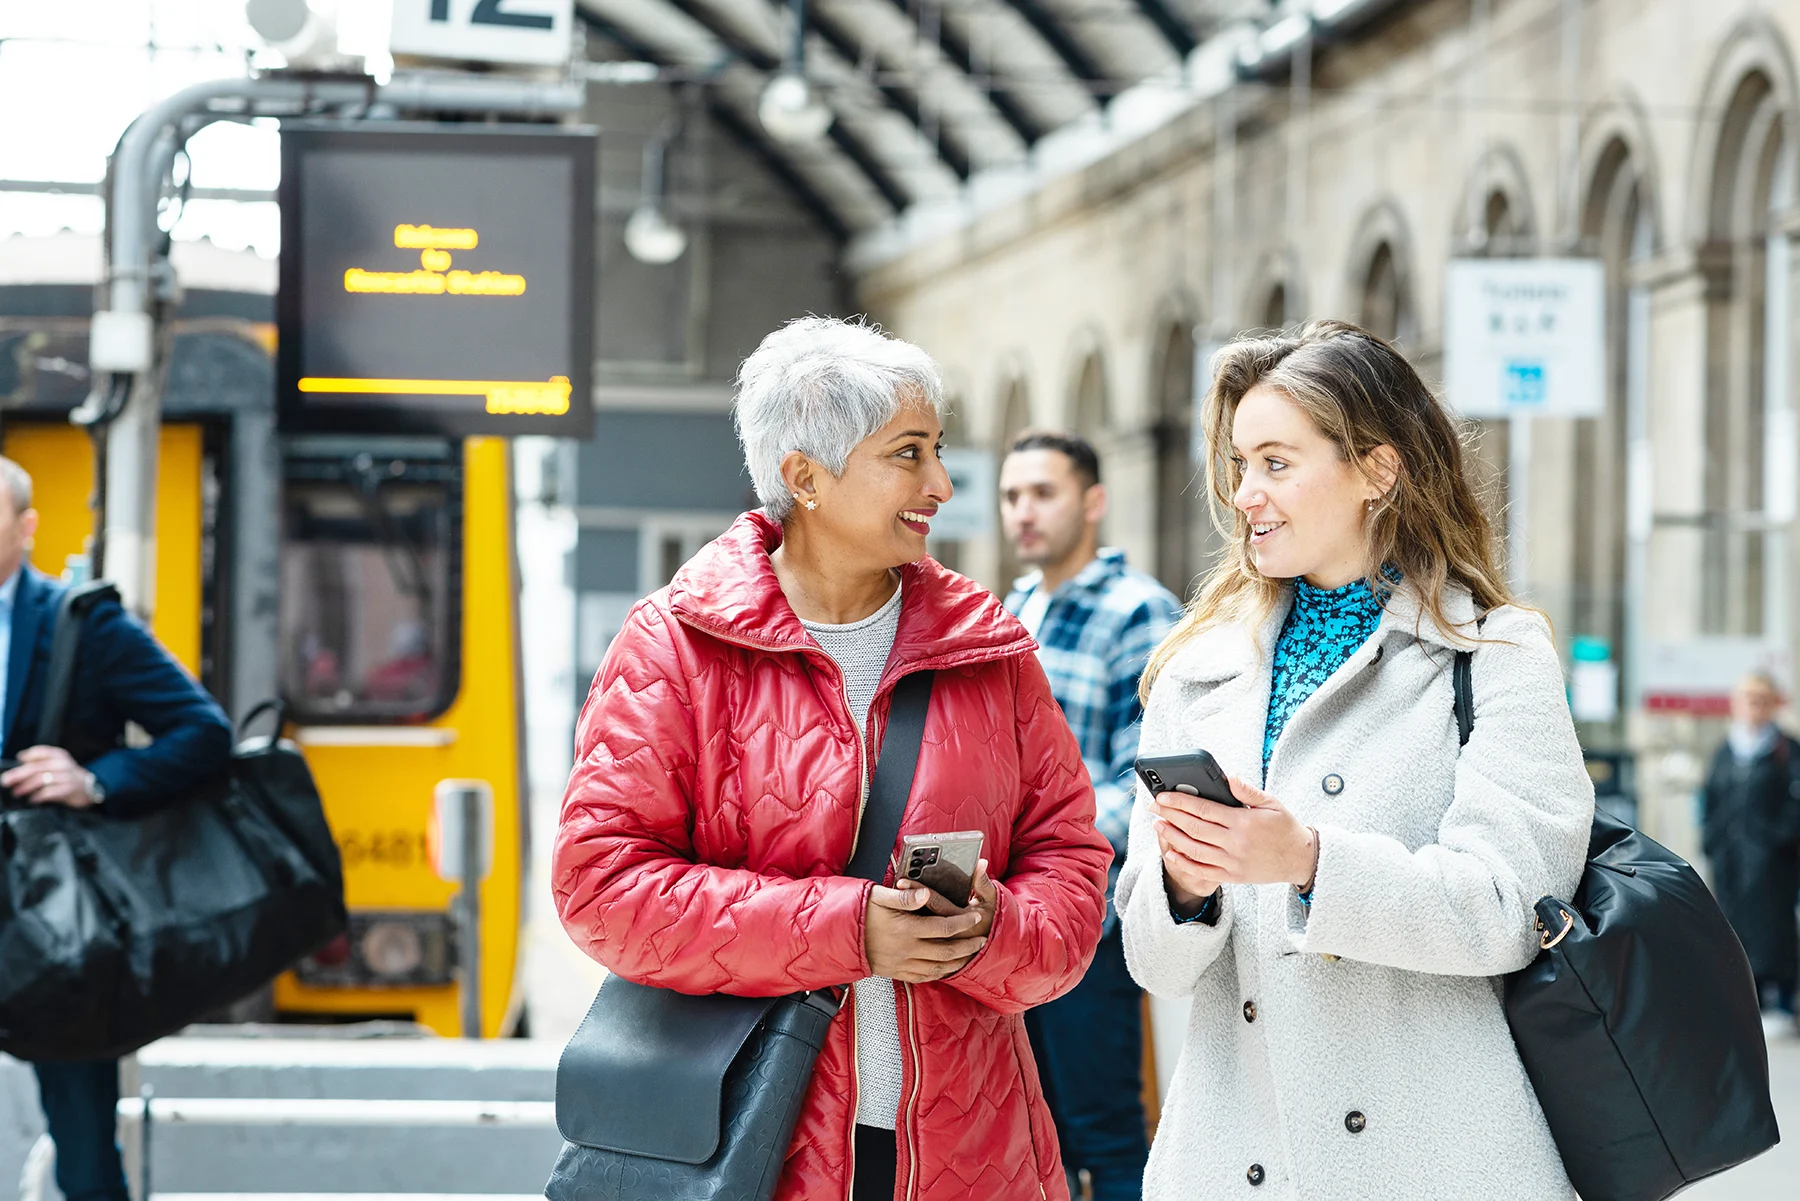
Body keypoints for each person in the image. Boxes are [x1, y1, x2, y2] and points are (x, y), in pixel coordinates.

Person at [554, 317, 1112, 1201]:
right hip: (752, 1151)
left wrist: (985, 931)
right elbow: (603, 889)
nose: (940, 481)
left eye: (937, 449)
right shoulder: (675, 647)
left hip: (975, 1157)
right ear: (805, 477)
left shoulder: (990, 650)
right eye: (909, 452)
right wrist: (848, 930)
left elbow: (1073, 871)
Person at [1115, 321, 1593, 1200]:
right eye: (1239, 463)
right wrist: (1186, 884)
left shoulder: (1493, 655)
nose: (1245, 492)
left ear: (1378, 469)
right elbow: (1155, 966)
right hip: (1233, 1160)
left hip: (1436, 1159)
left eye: (1276, 462)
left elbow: (1512, 910)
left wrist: (1308, 861)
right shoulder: (1197, 672)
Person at [0, 455, 233, 1201]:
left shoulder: (82, 623)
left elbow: (202, 730)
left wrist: (93, 779)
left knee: (84, 1144)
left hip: (56, 923)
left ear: (27, 526)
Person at [999, 431, 1180, 1201]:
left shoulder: (1139, 611)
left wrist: (1035, 830)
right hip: (1012, 918)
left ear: (1093, 502)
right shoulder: (1015, 606)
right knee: (1027, 1133)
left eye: (1044, 493)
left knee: (1104, 1134)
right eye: (1012, 496)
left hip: (1093, 921)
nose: (1024, 513)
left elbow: (1148, 776)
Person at [1701, 670, 1800, 1035]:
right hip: (1730, 860)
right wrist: (1713, 841)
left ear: (1774, 704)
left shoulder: (1784, 749)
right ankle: (1744, 998)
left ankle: (1780, 997)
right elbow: (1710, 798)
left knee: (1773, 928)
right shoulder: (1726, 750)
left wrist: (1776, 839)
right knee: (1732, 926)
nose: (1754, 707)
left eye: (1762, 699)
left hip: (1772, 864)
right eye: (1748, 699)